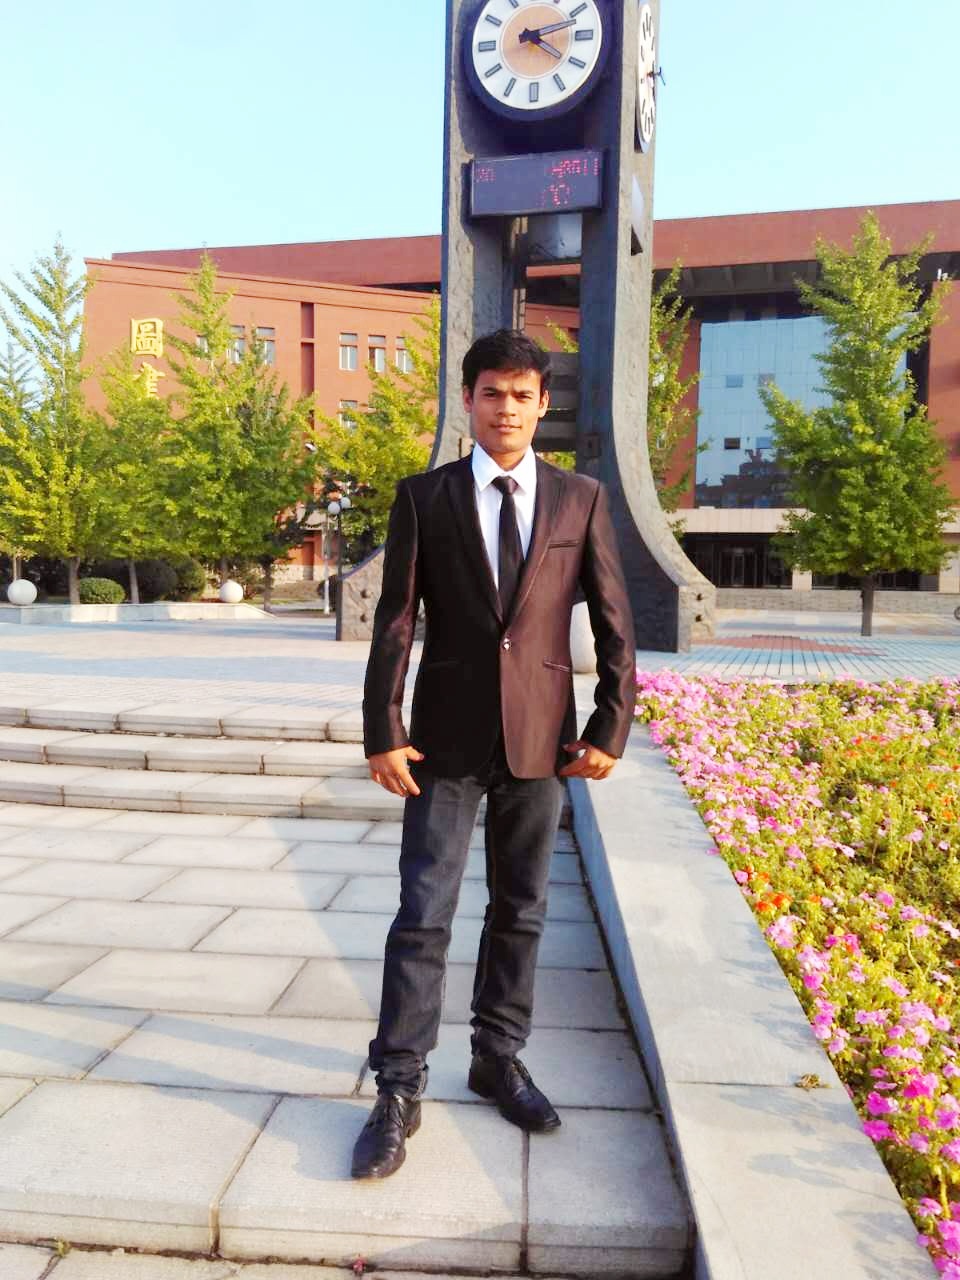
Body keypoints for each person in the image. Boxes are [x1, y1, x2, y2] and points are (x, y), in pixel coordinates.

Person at [352, 329, 636, 1179]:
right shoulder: (425, 497)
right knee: (423, 912)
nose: (505, 409)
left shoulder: (581, 498)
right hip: (442, 741)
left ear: (542, 404)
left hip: (543, 740)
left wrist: (609, 726)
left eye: (521, 395)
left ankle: (497, 1058)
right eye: (490, 393)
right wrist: (383, 728)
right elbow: (396, 620)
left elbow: (614, 622)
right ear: (468, 400)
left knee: (522, 909)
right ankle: (398, 1086)